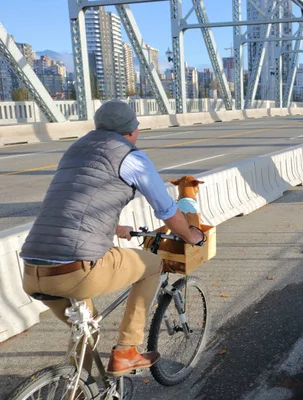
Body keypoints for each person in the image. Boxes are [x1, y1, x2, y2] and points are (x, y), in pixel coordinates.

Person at [20, 100, 205, 376]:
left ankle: (78, 387)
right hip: (77, 269)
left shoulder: (76, 150)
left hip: (33, 270)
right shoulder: (130, 156)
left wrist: (115, 227)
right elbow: (167, 209)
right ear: (133, 130)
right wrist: (190, 235)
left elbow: (79, 196)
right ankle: (128, 350)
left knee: (85, 325)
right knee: (152, 266)